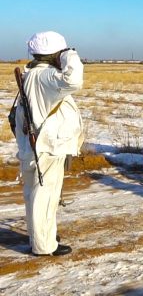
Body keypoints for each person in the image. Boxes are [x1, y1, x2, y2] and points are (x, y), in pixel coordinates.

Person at [15, 31, 84, 256]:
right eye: (60, 52)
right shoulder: (45, 76)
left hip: (37, 146)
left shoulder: (33, 74)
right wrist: (70, 55)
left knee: (36, 195)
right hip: (46, 148)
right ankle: (44, 246)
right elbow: (74, 79)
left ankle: (43, 235)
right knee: (45, 195)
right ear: (54, 53)